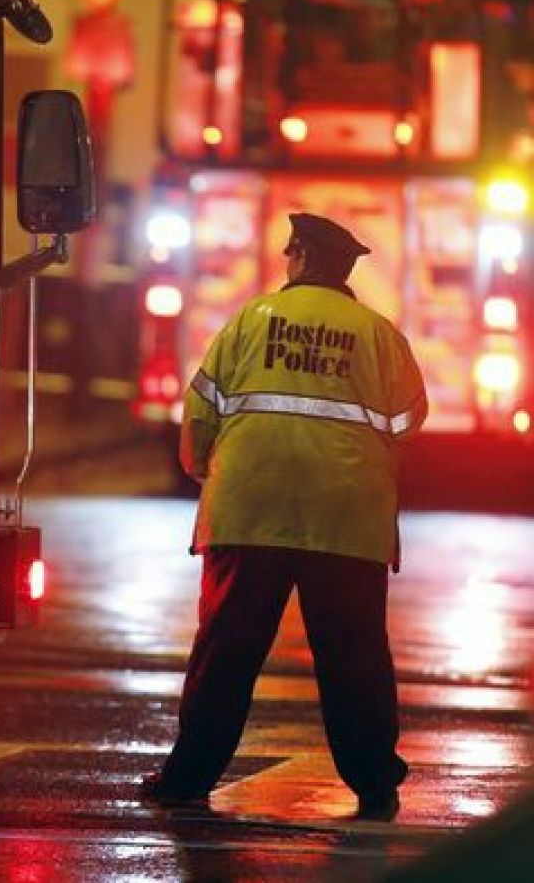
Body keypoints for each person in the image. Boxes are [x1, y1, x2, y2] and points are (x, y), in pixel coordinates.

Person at [136, 212, 427, 819]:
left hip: (250, 510)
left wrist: (202, 467)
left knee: (226, 654)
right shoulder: (377, 334)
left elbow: (201, 410)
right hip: (346, 519)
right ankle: (374, 783)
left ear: (300, 258)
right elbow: (408, 420)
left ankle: (188, 778)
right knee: (354, 658)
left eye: (289, 252)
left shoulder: (249, 320)